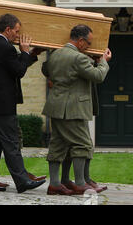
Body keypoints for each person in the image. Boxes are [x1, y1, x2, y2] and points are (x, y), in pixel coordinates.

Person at [0, 13, 46, 193]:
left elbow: (8, 67)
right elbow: (18, 70)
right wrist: (24, 51)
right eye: (16, 31)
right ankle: (22, 180)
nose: (18, 35)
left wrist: (29, 55)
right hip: (3, 104)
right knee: (11, 142)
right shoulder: (6, 48)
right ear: (7, 29)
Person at [42, 24, 111, 195]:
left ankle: (55, 183)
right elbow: (97, 76)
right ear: (80, 41)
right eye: (88, 43)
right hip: (72, 108)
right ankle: (80, 183)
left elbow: (46, 69)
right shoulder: (79, 58)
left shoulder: (55, 54)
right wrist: (103, 62)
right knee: (82, 144)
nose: (89, 46)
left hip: (55, 106)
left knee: (58, 145)